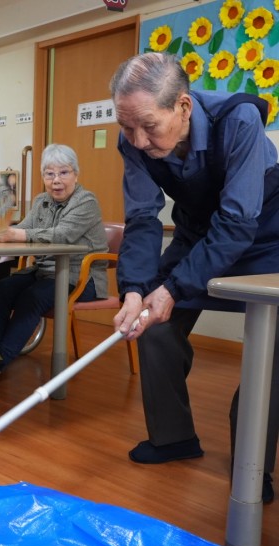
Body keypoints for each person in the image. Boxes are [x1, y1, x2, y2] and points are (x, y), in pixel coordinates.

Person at [109, 52, 279, 504]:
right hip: (198, 235)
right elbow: (142, 217)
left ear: (183, 106)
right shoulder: (134, 137)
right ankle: (173, 437)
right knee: (152, 323)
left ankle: (252, 467)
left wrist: (175, 288)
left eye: (148, 126)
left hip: (267, 237)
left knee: (269, 353)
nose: (138, 140)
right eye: (126, 127)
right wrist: (134, 289)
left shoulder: (239, 120)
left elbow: (238, 221)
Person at [0, 143, 108, 386]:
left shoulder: (86, 201)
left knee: (32, 297)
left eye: (64, 172)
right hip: (44, 272)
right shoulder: (41, 201)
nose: (56, 180)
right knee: (2, 288)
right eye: (49, 174)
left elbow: (63, 235)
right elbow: (24, 228)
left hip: (81, 278)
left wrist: (18, 235)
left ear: (76, 174)